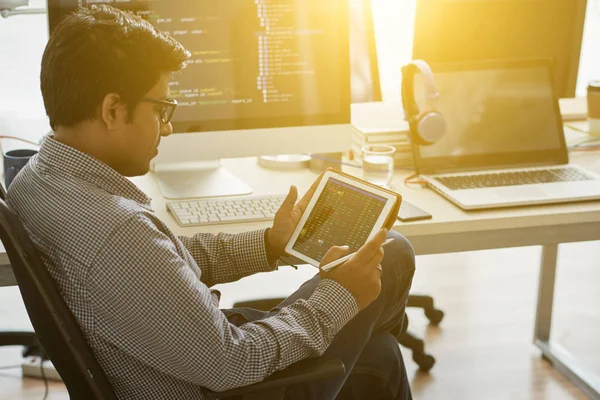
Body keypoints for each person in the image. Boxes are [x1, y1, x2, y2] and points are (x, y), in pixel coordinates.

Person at [7, 4, 415, 400]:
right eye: (162, 109)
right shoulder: (117, 232)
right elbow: (234, 362)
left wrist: (269, 244)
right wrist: (341, 297)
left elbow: (162, 265)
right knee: (391, 254)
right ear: (112, 109)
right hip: (221, 383)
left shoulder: (37, 178)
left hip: (182, 353)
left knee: (381, 356)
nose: (167, 127)